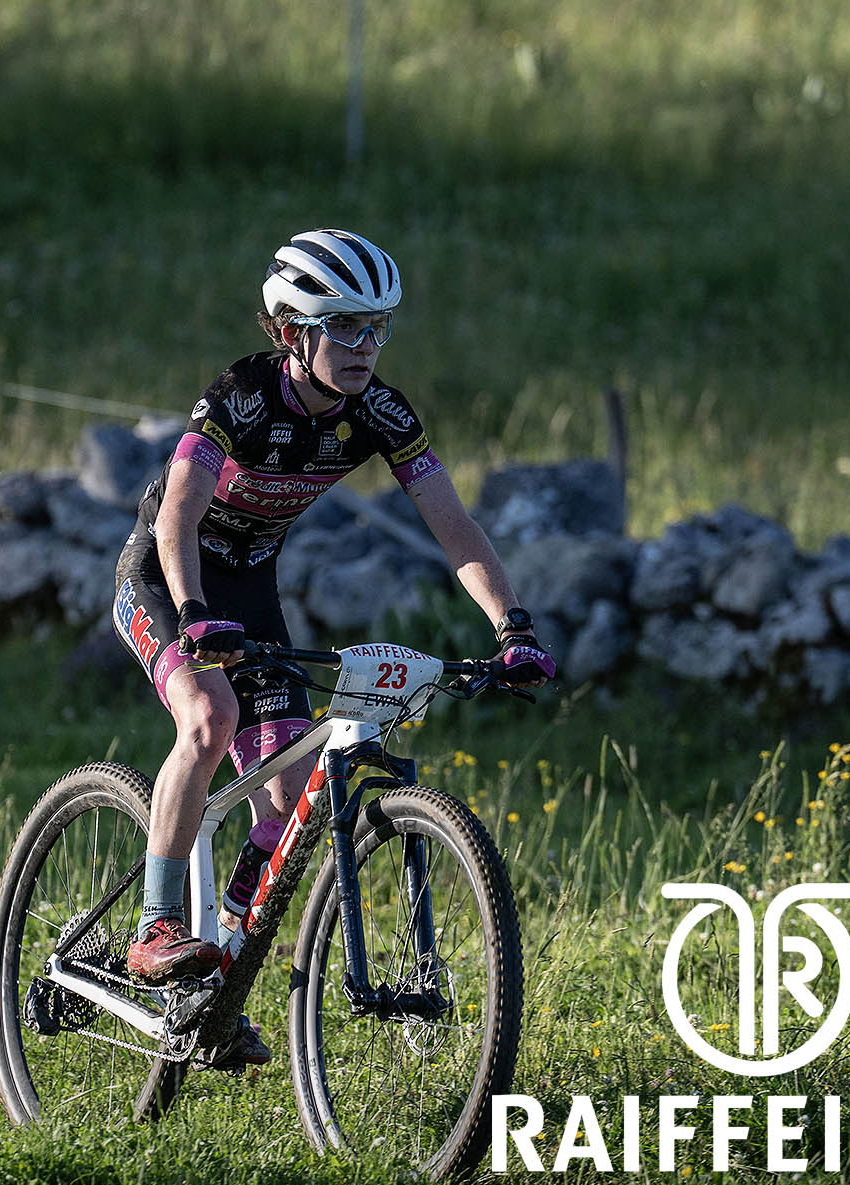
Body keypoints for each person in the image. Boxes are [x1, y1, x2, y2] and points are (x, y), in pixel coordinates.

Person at [109, 228, 554, 1065]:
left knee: (286, 809)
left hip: (250, 592)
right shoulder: (240, 397)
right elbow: (177, 515)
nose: (365, 346)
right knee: (207, 717)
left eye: (377, 327)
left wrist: (513, 625)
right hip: (171, 577)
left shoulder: (381, 412)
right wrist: (194, 611)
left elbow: (452, 525)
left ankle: (217, 976)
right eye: (344, 326)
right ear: (292, 332)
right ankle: (156, 925)